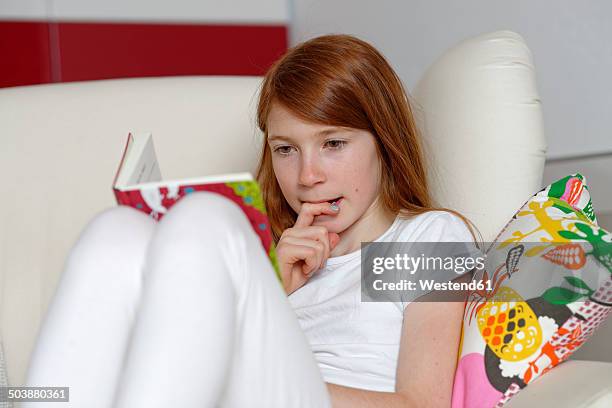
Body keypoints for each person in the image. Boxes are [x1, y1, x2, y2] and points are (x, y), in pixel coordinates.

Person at [23, 34, 481, 408]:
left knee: (208, 216)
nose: (308, 176)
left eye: (334, 143)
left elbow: (421, 405)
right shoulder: (281, 259)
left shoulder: (425, 238)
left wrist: (247, 378)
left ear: (384, 140)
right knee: (116, 232)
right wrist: (274, 287)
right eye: (286, 149)